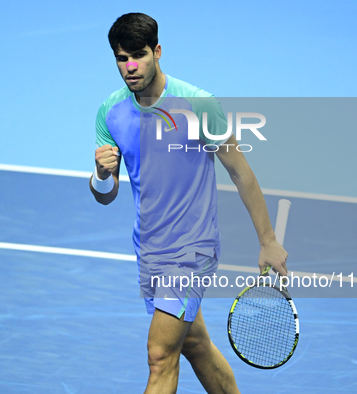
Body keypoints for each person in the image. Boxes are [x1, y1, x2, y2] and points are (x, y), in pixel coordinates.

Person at [89, 13, 288, 394]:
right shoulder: (109, 113)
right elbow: (105, 194)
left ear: (158, 52)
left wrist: (267, 240)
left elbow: (240, 171)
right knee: (194, 344)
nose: (130, 67)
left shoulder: (198, 105)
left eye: (139, 55)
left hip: (191, 250)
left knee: (161, 356)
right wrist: (101, 173)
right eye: (121, 58)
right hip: (149, 247)